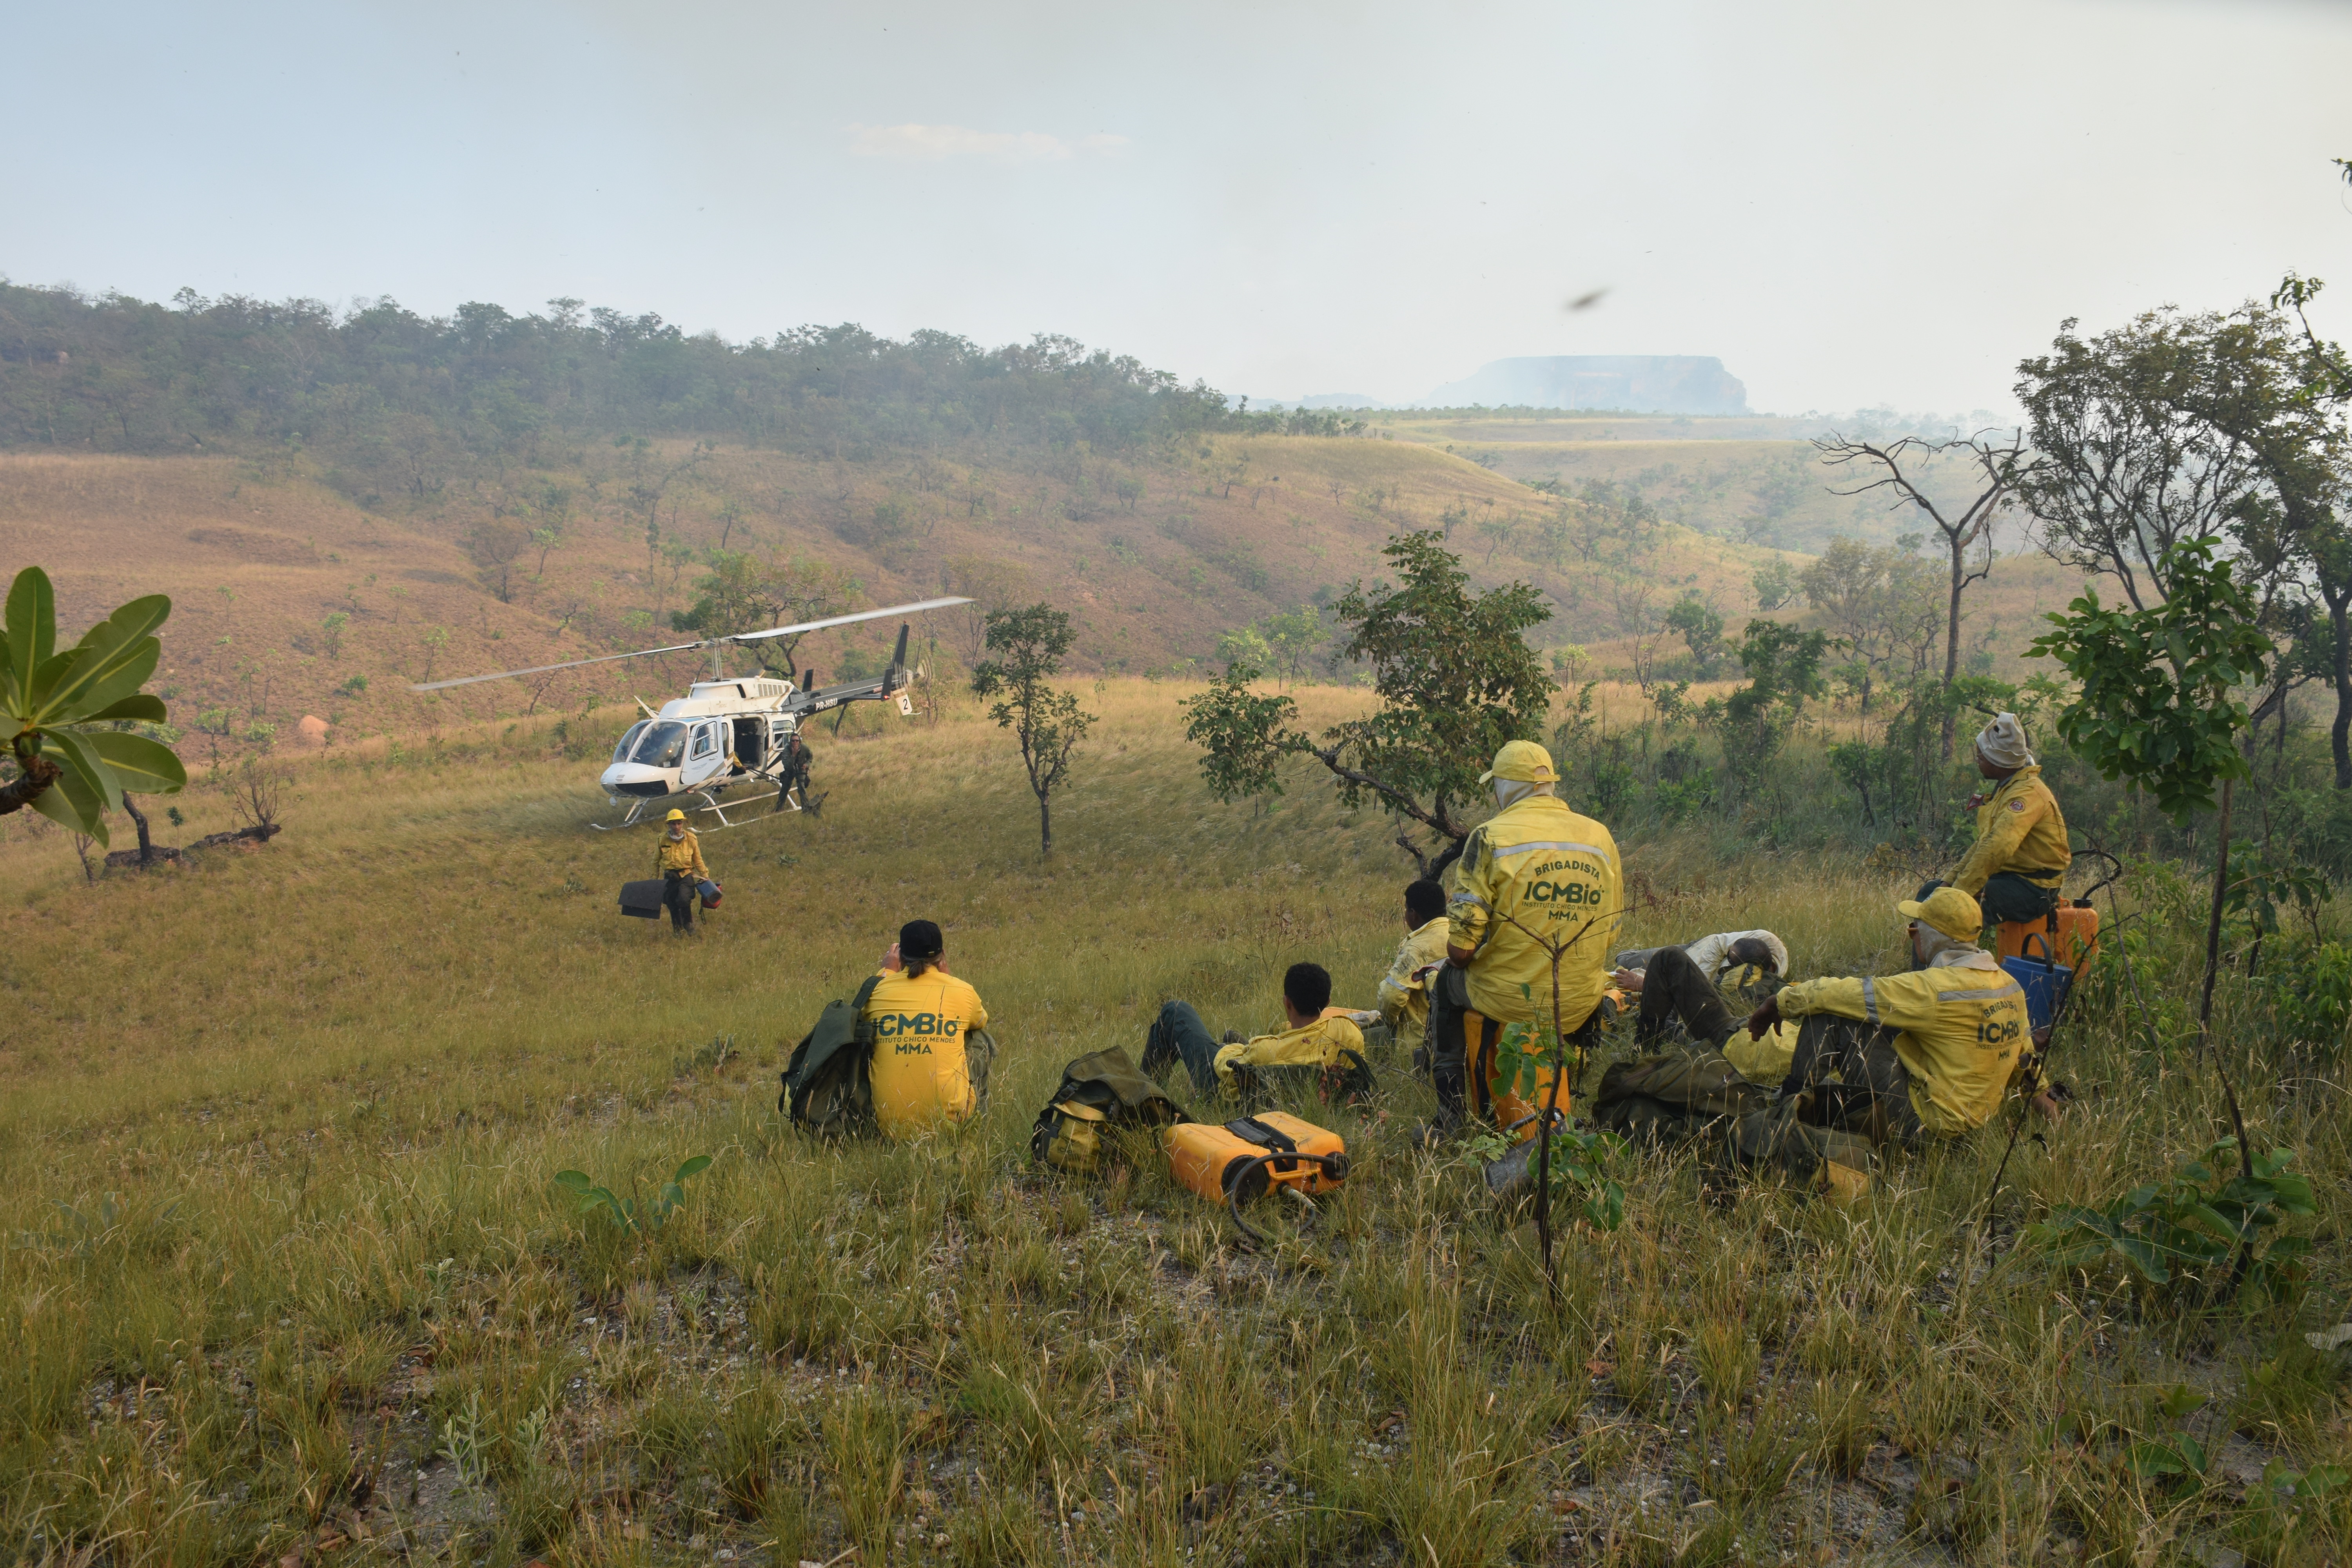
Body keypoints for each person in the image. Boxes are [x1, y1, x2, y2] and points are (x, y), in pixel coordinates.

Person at [1430, 739, 1623, 1135]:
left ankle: (1450, 1119)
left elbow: (1463, 951)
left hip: (1509, 1002)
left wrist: (1458, 955)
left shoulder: (1489, 837)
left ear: (1506, 786)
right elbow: (1609, 934)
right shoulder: (1600, 837)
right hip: (1577, 998)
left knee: (1444, 986)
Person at [1743, 885, 2030, 1146]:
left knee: (1830, 1014)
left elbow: (1841, 993)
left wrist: (1777, 1003)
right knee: (1883, 1024)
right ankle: (1802, 1105)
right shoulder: (2009, 986)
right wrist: (2046, 1103)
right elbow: (2025, 1059)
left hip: (1926, 1128)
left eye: (1915, 928)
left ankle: (1787, 1111)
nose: (1913, 935)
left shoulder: (1934, 989)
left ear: (1932, 935)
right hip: (1972, 1126)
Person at [1142, 962, 1368, 1099]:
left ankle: (1144, 1097)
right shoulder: (1349, 1033)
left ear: (1286, 1002)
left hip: (1224, 1089)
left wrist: (1230, 1049)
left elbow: (1222, 1066)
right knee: (1230, 1037)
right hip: (1303, 1089)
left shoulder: (1264, 1050)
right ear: (1328, 1002)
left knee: (1176, 1011)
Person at [862, 919, 993, 1138]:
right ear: (942, 955)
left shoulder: (876, 990)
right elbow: (979, 1021)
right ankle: (974, 1120)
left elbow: (861, 1012)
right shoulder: (962, 991)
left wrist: (886, 971)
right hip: (951, 1124)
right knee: (979, 1036)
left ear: (900, 956)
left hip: (887, 1125)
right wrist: (947, 977)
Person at [1949, 712, 2071, 926]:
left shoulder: (2027, 794)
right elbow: (1984, 843)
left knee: (1956, 913)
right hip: (2008, 878)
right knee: (1933, 891)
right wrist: (1949, 882)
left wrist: (1959, 893)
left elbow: (1997, 847)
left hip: (2034, 888)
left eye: (1981, 756)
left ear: (1998, 761)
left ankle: (1964, 955)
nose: (1977, 760)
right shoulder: (2007, 789)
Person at [1376, 880, 1453, 1066]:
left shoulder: (1417, 949)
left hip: (1420, 1047)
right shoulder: (1461, 935)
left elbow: (1391, 997)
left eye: (1406, 910)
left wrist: (1393, 1025)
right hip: (1457, 1039)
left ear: (1413, 914)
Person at [655, 808, 709, 935]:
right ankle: (678, 929)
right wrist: (654, 879)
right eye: (673, 824)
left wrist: (705, 876)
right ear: (668, 825)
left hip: (686, 876)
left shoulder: (691, 839)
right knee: (671, 903)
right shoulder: (662, 839)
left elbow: (698, 860)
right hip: (669, 876)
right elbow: (655, 860)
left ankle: (688, 924)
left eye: (679, 823)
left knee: (684, 900)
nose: (677, 827)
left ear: (683, 824)